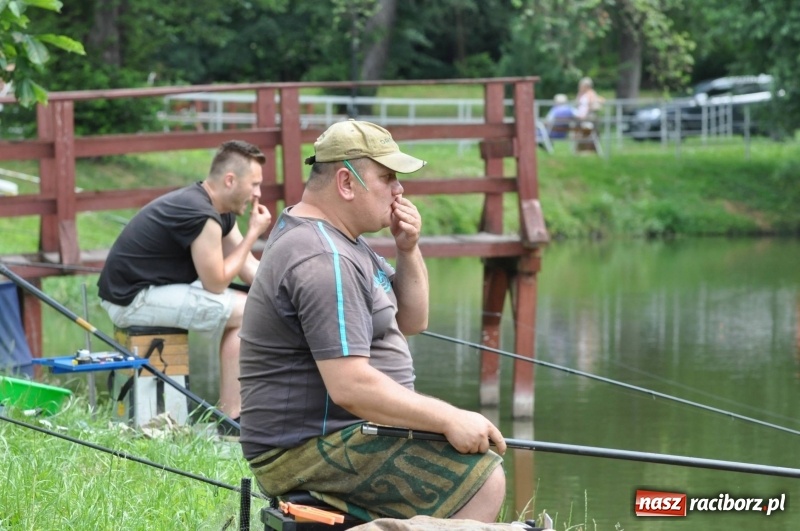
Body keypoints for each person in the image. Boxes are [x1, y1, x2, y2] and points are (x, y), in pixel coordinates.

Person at [239, 120, 507, 523]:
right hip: (303, 447)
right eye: (387, 177)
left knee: (475, 468)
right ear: (346, 182)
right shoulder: (323, 258)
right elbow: (350, 386)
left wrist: (408, 248)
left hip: (335, 430)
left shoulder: (341, 240)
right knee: (480, 477)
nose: (399, 189)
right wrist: (450, 417)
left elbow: (412, 319)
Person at [97, 140, 272, 420]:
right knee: (251, 310)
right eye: (254, 184)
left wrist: (286, 294)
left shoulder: (217, 209)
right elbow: (216, 283)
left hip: (147, 290)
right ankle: (233, 418)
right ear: (230, 180)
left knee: (256, 305)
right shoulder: (200, 214)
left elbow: (248, 265)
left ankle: (232, 417)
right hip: (131, 299)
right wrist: (253, 234)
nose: (258, 193)